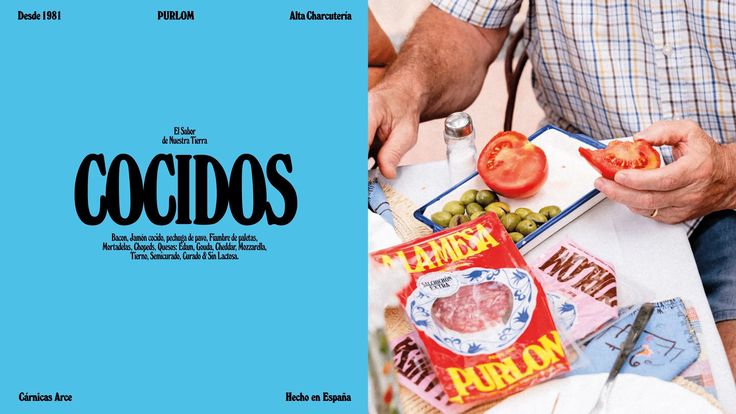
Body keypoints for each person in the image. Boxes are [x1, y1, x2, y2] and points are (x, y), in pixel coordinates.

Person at [368, 1, 736, 376]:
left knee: (716, 378)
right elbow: (470, 26)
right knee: (507, 368)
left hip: (730, 205)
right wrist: (403, 91)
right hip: (567, 185)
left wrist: (727, 172)